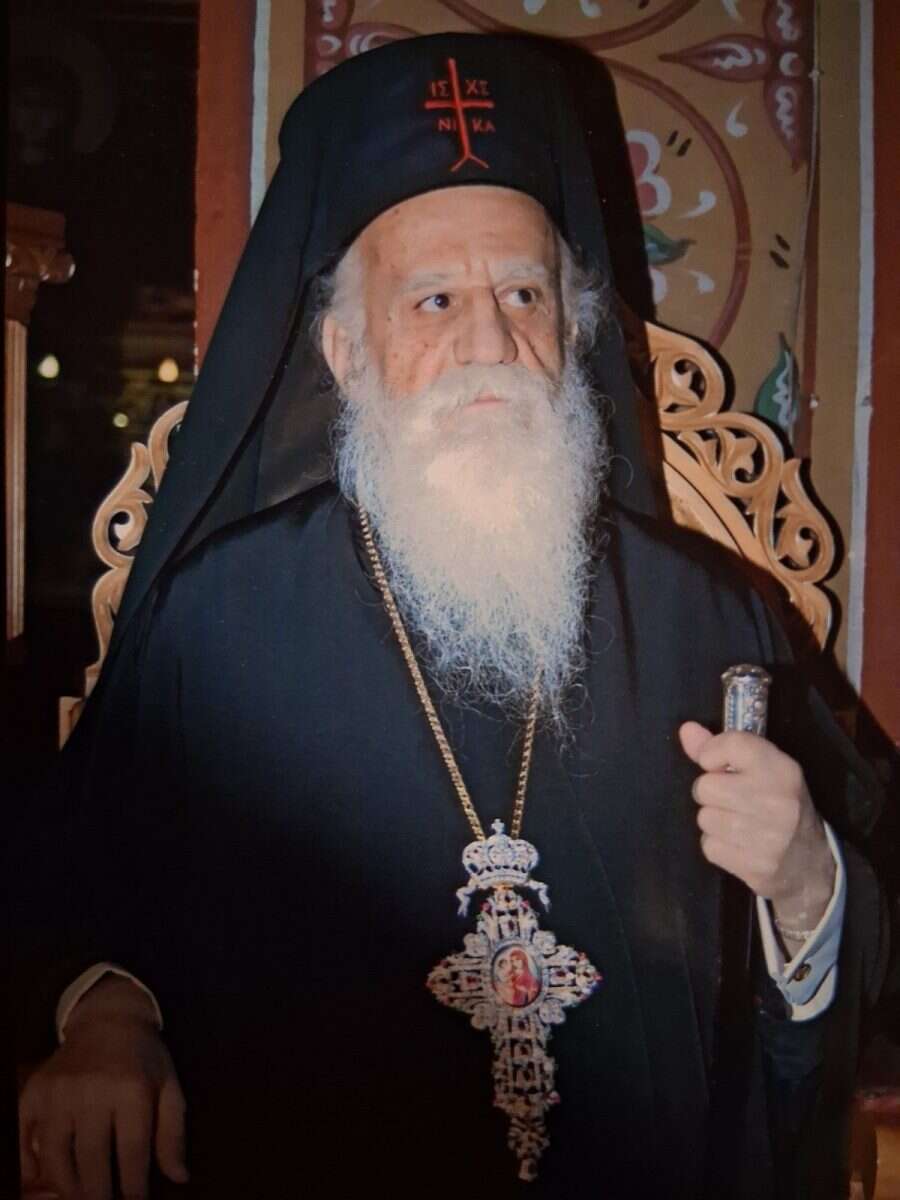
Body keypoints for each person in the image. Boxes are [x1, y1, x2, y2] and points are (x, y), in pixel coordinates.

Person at [9, 33, 891, 1200]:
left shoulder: (715, 619)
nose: (490, 344)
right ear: (345, 351)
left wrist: (809, 882)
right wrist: (107, 1016)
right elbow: (85, 885)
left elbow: (869, 914)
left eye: (524, 293)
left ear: (571, 329)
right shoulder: (220, 617)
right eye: (434, 299)